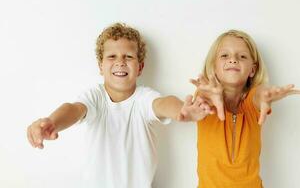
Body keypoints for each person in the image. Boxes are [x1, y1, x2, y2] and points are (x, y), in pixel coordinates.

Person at [26, 23, 205, 188]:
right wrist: (52, 122)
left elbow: (163, 104)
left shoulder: (143, 99)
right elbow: (73, 109)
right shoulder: (95, 97)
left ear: (140, 67)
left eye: (128, 57)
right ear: (101, 66)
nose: (120, 62)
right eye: (112, 56)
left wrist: (183, 109)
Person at [190, 29, 300, 188]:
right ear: (214, 67)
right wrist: (205, 98)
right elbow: (203, 98)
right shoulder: (206, 98)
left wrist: (266, 95)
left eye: (242, 56)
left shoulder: (252, 102)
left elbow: (259, 94)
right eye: (224, 55)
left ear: (253, 70)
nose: (233, 59)